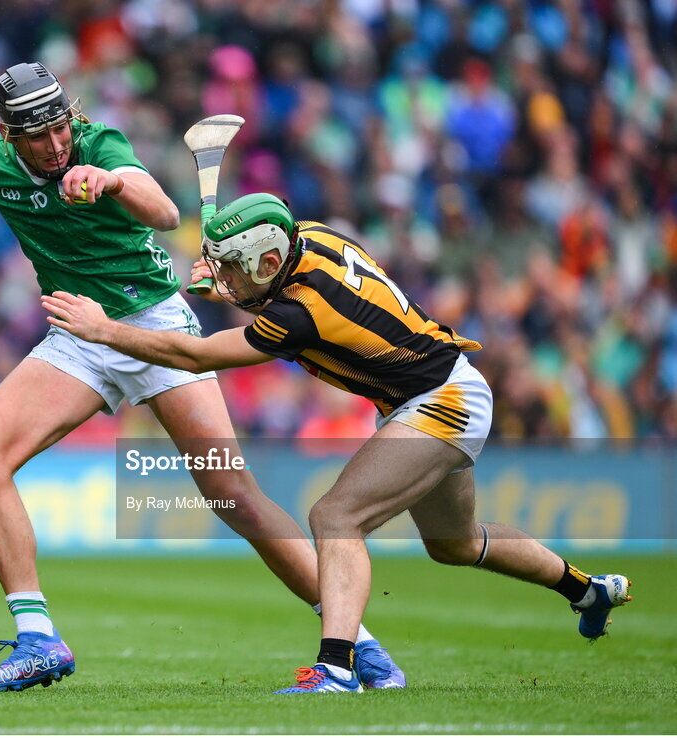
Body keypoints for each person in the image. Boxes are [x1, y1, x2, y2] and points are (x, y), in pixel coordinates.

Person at [0, 63, 404, 692]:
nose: (54, 147)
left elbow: (159, 210)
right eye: (37, 137)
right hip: (78, 334)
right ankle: (38, 639)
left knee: (232, 493)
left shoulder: (101, 145)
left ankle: (360, 645)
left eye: (59, 129)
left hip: (154, 326)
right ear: (6, 134)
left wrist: (108, 182)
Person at [40, 192, 633, 694]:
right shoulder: (313, 236)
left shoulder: (298, 315)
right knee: (454, 543)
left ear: (269, 259)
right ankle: (586, 590)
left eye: (234, 268)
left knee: (336, 515)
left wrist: (104, 330)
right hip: (444, 390)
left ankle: (337, 666)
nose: (224, 279)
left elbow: (191, 353)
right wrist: (233, 287)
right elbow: (279, 289)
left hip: (440, 403)